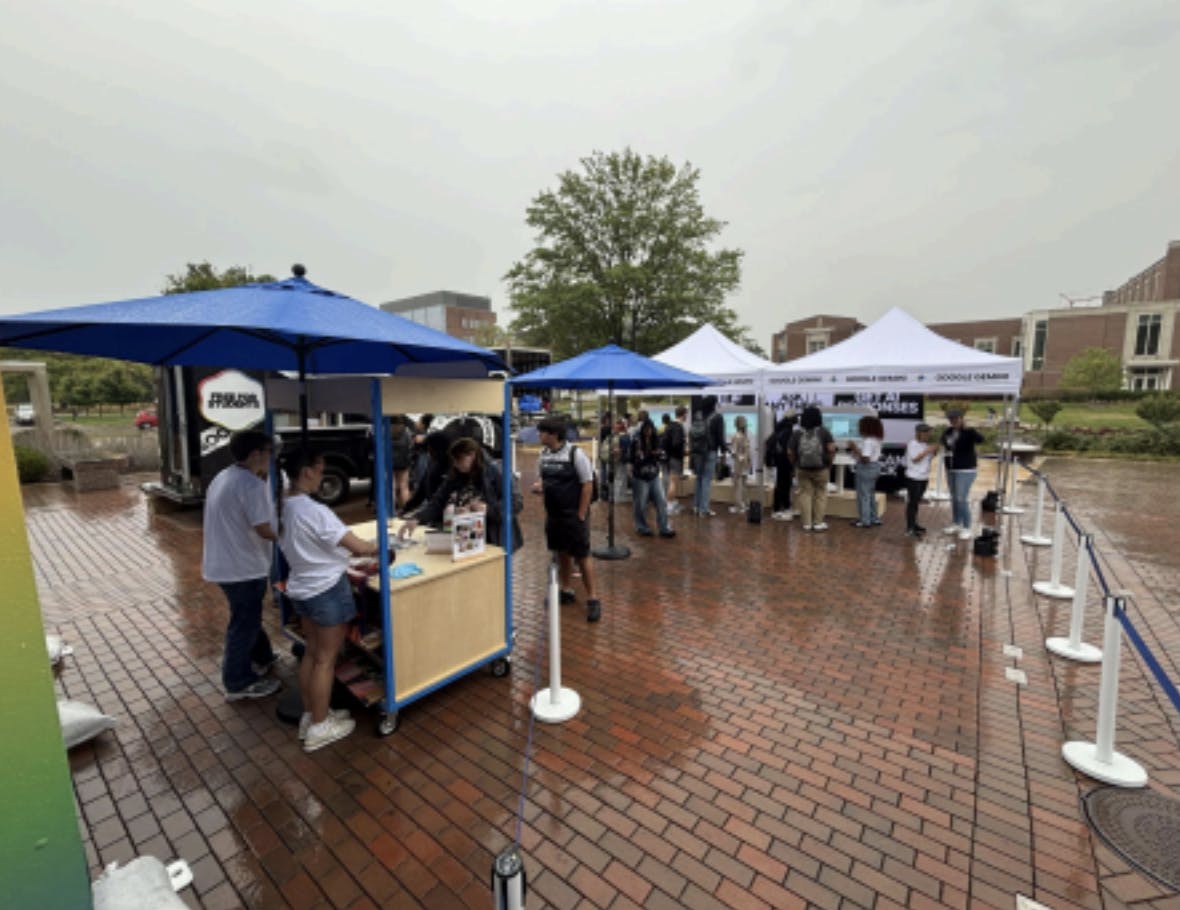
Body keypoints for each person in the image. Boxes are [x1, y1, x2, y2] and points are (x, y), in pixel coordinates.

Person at [277, 449, 385, 752]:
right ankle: (320, 728)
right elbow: (358, 547)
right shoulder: (314, 511)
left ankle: (313, 716)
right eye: (321, 469)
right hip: (325, 590)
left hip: (303, 587)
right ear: (308, 471)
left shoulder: (284, 506)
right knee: (326, 660)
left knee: (312, 654)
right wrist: (380, 546)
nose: (323, 475)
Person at [201, 430, 282, 702]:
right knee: (243, 623)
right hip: (243, 567)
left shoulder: (224, 476)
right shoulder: (250, 485)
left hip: (225, 564)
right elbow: (265, 529)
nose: (271, 458)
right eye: (268, 452)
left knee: (247, 615)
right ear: (256, 454)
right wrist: (295, 535)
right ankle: (237, 682)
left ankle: (263, 656)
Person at [533, 416, 601, 622]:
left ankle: (592, 598)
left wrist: (581, 513)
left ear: (554, 435)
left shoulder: (575, 454)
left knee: (581, 554)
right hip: (553, 515)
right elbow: (542, 480)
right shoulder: (543, 455)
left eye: (543, 432)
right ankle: (567, 589)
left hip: (573, 514)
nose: (539, 435)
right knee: (560, 552)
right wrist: (540, 488)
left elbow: (587, 484)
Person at [400, 436, 523, 550]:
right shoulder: (456, 474)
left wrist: (488, 509)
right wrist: (418, 518)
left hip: (497, 537)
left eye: (458, 460)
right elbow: (438, 501)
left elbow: (516, 502)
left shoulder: (496, 470)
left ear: (471, 455)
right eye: (454, 461)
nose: (456, 465)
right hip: (470, 535)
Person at [788, 405, 836, 531]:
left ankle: (807, 523)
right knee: (820, 494)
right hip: (821, 468)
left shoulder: (797, 433)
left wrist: (795, 464)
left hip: (802, 468)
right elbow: (831, 449)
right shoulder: (824, 431)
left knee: (805, 494)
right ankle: (818, 522)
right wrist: (829, 464)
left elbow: (790, 452)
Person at [940, 409, 985, 540]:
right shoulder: (948, 432)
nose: (953, 421)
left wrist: (969, 429)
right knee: (954, 497)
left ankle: (967, 527)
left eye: (955, 419)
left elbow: (981, 439)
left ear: (961, 419)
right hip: (951, 469)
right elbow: (944, 442)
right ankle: (956, 523)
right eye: (951, 419)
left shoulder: (968, 432)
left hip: (965, 469)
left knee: (961, 498)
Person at [630, 418, 675, 537]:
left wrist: (657, 454)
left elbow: (663, 455)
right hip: (640, 476)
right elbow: (638, 458)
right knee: (641, 503)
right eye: (646, 430)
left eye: (650, 430)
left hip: (654, 475)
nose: (648, 432)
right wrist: (653, 455)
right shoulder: (637, 441)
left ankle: (664, 527)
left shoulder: (656, 440)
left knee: (661, 501)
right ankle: (642, 526)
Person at [690, 396, 726, 517]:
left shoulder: (697, 415)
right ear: (714, 404)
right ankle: (704, 509)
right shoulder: (717, 417)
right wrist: (724, 449)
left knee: (699, 478)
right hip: (710, 451)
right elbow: (720, 437)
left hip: (697, 451)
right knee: (706, 479)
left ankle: (696, 506)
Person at [848, 415, 885, 528]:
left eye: (860, 426)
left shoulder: (868, 441)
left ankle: (864, 520)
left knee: (863, 495)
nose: (858, 428)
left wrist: (854, 448)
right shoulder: (876, 440)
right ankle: (874, 518)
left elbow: (865, 459)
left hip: (866, 469)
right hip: (874, 468)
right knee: (870, 494)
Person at [904, 423, 938, 537]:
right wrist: (927, 451)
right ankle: (909, 528)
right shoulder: (912, 444)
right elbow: (915, 459)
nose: (928, 434)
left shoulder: (925, 444)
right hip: (914, 477)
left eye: (929, 432)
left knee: (917, 502)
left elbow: (930, 457)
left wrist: (934, 451)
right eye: (926, 432)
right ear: (919, 433)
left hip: (924, 477)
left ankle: (914, 524)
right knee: (912, 503)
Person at [769, 413, 797, 521]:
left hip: (779, 461)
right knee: (785, 485)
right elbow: (789, 450)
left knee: (780, 484)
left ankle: (777, 508)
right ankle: (784, 508)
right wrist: (793, 464)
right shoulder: (789, 432)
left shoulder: (779, 429)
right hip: (786, 462)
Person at [663, 406, 687, 514]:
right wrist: (683, 451)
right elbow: (676, 444)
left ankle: (671, 502)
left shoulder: (670, 426)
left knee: (671, 481)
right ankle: (669, 505)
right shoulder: (678, 427)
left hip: (669, 458)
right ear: (683, 414)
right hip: (676, 458)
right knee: (673, 482)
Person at [728, 414, 752, 513]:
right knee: (744, 484)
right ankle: (746, 504)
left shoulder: (735, 436)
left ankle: (739, 506)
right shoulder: (746, 436)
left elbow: (733, 452)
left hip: (738, 463)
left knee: (737, 484)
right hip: (746, 462)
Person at [389, 415, 414, 508]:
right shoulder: (406, 431)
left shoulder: (386, 430)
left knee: (391, 486)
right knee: (404, 486)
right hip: (403, 461)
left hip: (389, 462)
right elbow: (410, 445)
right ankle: (405, 507)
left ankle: (392, 508)